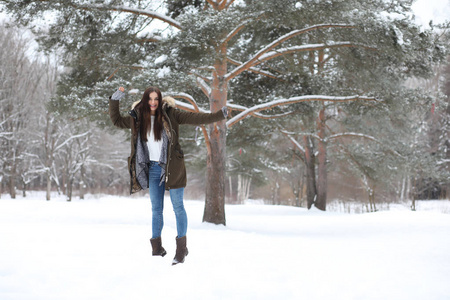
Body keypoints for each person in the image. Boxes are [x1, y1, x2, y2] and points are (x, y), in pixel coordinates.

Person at [109, 86, 228, 265]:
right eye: (150, 99)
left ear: (160, 99)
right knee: (156, 210)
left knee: (178, 207)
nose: (153, 102)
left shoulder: (171, 115)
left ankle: (181, 250)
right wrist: (116, 97)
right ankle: (156, 247)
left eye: (156, 99)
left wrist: (219, 115)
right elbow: (116, 120)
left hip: (172, 167)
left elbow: (196, 118)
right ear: (144, 100)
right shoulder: (137, 118)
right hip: (153, 170)